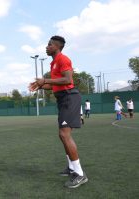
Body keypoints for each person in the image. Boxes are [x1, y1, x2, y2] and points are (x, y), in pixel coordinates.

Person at [29, 35, 88, 188]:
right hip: (62, 99)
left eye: (49, 45)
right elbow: (55, 85)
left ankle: (80, 174)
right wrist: (40, 85)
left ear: (57, 46)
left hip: (70, 98)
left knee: (64, 134)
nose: (46, 47)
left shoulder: (63, 59)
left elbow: (68, 80)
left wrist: (46, 80)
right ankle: (71, 168)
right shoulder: (54, 63)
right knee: (62, 135)